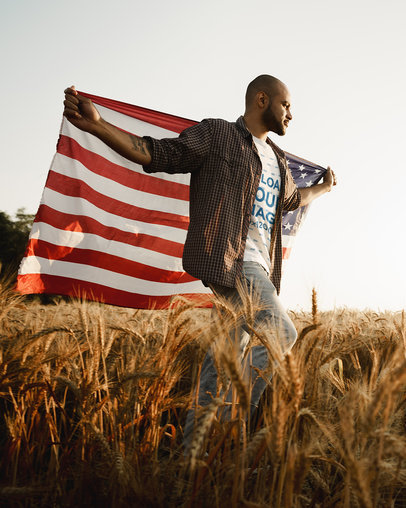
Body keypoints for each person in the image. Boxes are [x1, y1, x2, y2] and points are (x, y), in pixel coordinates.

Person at [63, 75, 337, 448]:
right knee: (282, 331)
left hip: (259, 272)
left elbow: (292, 199)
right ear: (262, 100)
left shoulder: (277, 159)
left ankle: (191, 460)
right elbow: (156, 152)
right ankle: (228, 435)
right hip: (233, 261)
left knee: (220, 363)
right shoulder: (218, 134)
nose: (292, 113)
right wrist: (97, 126)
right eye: (286, 104)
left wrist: (322, 189)